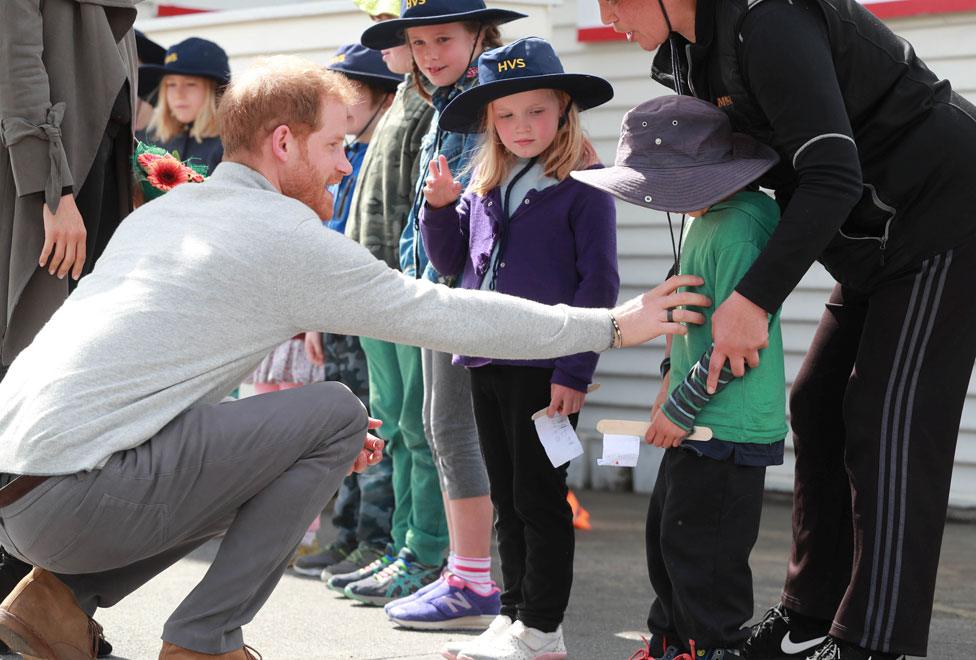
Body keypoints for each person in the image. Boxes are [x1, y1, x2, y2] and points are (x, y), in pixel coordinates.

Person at [0, 55, 708, 660]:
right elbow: (448, 311)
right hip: (78, 495)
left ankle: (54, 602)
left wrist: (292, 450)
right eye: (339, 145)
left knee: (320, 434)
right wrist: (615, 326)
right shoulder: (284, 236)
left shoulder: (166, 215)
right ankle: (204, 640)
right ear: (284, 142)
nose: (346, 166)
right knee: (338, 410)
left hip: (21, 489)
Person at [597, 0, 976, 658]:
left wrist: (754, 298)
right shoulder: (691, 52)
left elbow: (832, 175)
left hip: (945, 211)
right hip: (869, 235)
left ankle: (872, 642)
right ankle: (809, 619)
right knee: (817, 402)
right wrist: (671, 367)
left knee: (888, 418)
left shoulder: (768, 22)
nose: (607, 15)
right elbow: (706, 192)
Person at [420, 37, 618, 660]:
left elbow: (600, 285)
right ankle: (512, 618)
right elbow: (453, 263)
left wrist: (575, 369)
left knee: (539, 499)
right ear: (489, 123)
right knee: (506, 497)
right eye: (505, 115)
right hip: (486, 359)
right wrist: (441, 210)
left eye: (535, 111)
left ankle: (543, 629)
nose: (520, 126)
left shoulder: (583, 187)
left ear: (563, 109)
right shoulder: (485, 186)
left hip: (545, 366)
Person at [573, 95, 785, 660]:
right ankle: (671, 644)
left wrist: (679, 408)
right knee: (668, 537)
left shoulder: (738, 229)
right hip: (700, 415)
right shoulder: (710, 219)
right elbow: (690, 311)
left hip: (726, 425)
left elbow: (737, 346)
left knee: (704, 555)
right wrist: (670, 376)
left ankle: (714, 648)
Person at [345, 0, 526, 612]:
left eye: (443, 39)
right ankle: (451, 567)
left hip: (468, 293)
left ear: (479, 33)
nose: (429, 55)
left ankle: (461, 570)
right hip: (427, 285)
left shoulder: (495, 93)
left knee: (456, 432)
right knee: (430, 427)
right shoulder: (439, 99)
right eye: (418, 44)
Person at [0, 1, 140, 654]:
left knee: (68, 404)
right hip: (47, 196)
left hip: (92, 184)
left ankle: (41, 608)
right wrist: (52, 189)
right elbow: (17, 59)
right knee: (26, 399)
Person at [326, 1, 440, 592]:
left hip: (403, 288)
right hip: (372, 289)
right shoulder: (402, 101)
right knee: (395, 426)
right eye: (405, 40)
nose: (403, 48)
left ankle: (427, 552)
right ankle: (400, 545)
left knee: (421, 431)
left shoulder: (433, 106)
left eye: (407, 38)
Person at [292, 42, 402, 579]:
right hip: (334, 311)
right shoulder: (345, 153)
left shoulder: (380, 151)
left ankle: (375, 538)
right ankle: (350, 532)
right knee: (344, 426)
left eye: (350, 92)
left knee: (371, 426)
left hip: (368, 309)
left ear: (381, 95)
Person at [139, 37, 230, 174]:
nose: (178, 94)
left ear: (216, 91)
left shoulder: (230, 149)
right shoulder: (152, 143)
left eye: (190, 84)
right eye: (171, 84)